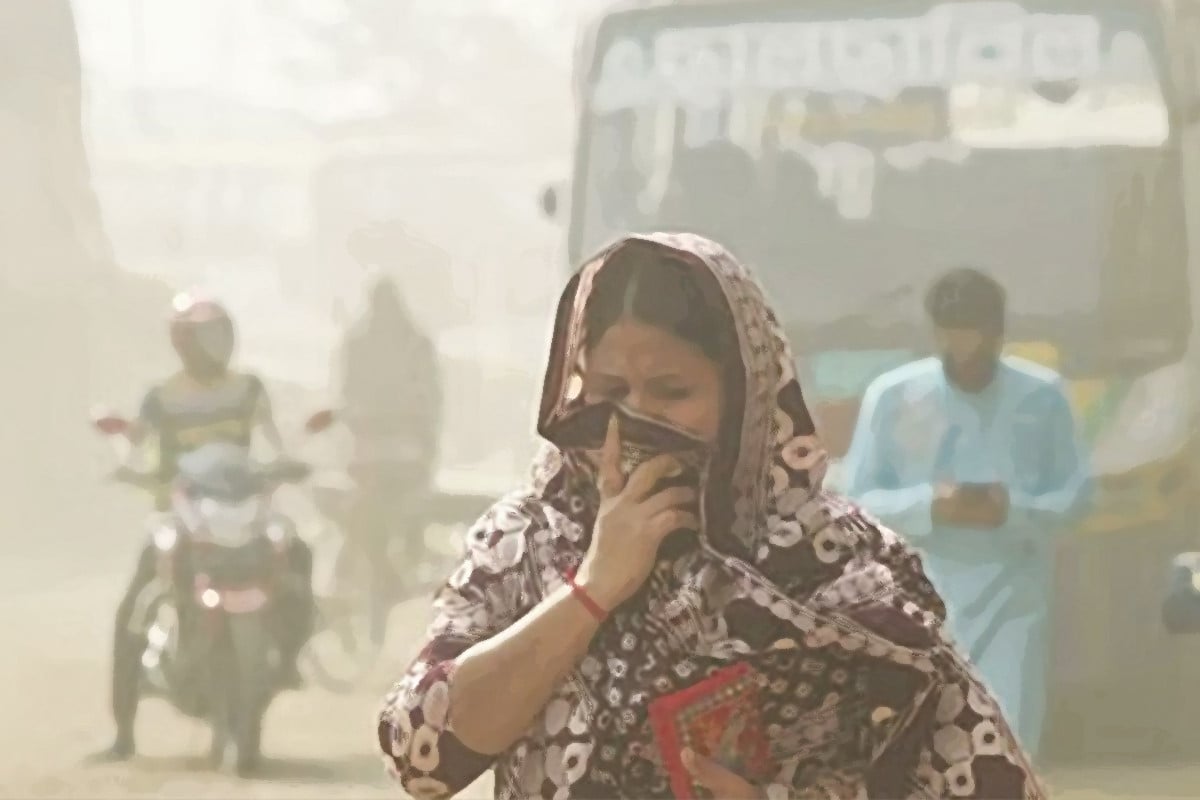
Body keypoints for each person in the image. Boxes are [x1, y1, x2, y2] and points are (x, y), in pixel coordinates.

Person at [377, 234, 1045, 799]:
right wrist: (594, 588)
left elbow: (976, 774)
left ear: (749, 396)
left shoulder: (846, 564)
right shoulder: (525, 542)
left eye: (672, 392)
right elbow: (423, 756)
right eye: (609, 391)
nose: (635, 418)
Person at [839, 267, 1092, 763]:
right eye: (954, 339)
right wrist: (933, 504)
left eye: (977, 340)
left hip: (1014, 595)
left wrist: (1009, 511)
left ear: (998, 334)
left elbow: (1077, 496)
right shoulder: (894, 395)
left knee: (1008, 737)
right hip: (918, 596)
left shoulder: (1042, 396)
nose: (966, 355)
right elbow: (858, 500)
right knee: (928, 742)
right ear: (936, 334)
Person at [97, 294, 314, 761]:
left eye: (221, 334)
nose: (215, 346)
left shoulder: (248, 389)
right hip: (182, 513)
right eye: (205, 337)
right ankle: (124, 731)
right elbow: (137, 443)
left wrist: (290, 462)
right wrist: (125, 458)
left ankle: (292, 657)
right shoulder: (161, 397)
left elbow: (275, 441)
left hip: (242, 507)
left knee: (299, 556)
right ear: (183, 343)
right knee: (133, 607)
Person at [335, 276, 441, 635]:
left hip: (374, 455)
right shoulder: (416, 342)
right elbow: (432, 402)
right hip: (400, 456)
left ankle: (387, 573)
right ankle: (401, 567)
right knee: (394, 524)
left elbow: (348, 397)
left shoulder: (359, 342)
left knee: (371, 526)